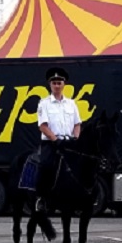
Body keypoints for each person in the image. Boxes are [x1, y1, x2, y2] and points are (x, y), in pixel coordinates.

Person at [36, 67, 82, 211]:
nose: (57, 85)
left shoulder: (71, 103)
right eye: (54, 83)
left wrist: (76, 139)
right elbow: (42, 126)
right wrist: (55, 140)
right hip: (51, 143)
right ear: (50, 85)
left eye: (59, 82)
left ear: (64, 84)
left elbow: (77, 124)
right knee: (45, 166)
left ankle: (80, 197)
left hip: (69, 143)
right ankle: (41, 198)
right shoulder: (44, 103)